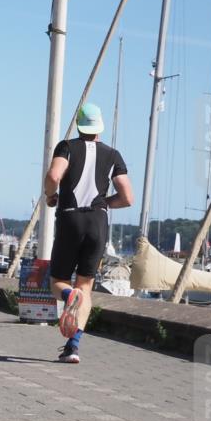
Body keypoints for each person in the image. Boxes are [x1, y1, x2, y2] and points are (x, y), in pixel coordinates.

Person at [44, 103, 133, 364]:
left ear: (80, 126)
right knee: (86, 287)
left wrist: (51, 196)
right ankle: (73, 347)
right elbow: (128, 197)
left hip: (71, 217)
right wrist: (106, 203)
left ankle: (68, 296)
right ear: (99, 129)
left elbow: (53, 175)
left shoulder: (67, 147)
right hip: (98, 222)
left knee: (58, 282)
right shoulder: (113, 154)